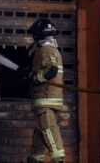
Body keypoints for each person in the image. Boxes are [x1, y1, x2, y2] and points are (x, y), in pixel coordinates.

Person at [25, 18, 65, 163]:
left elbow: (51, 70)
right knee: (39, 139)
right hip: (49, 101)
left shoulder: (46, 50)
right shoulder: (52, 50)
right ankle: (34, 159)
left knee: (49, 131)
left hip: (45, 100)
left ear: (38, 35)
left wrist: (35, 78)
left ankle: (59, 160)